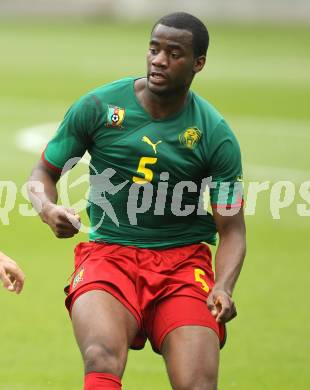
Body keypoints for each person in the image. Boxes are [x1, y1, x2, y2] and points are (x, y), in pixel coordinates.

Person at [28, 12, 246, 390]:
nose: (159, 60)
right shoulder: (98, 107)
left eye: (174, 53)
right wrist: (48, 209)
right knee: (100, 356)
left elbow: (233, 231)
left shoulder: (215, 134)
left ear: (198, 63)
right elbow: (41, 175)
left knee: (198, 383)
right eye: (154, 49)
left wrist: (223, 287)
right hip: (108, 256)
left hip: (182, 265)